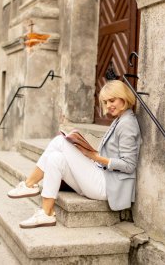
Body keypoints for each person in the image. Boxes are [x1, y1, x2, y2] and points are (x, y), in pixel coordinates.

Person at [8, 80, 142, 228]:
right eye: (105, 102)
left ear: (124, 97)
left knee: (60, 141)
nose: (109, 105)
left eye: (112, 100)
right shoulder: (120, 119)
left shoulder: (127, 123)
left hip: (108, 185)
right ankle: (46, 213)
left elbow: (129, 165)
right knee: (55, 158)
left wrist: (94, 157)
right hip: (102, 175)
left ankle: (30, 184)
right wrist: (89, 153)